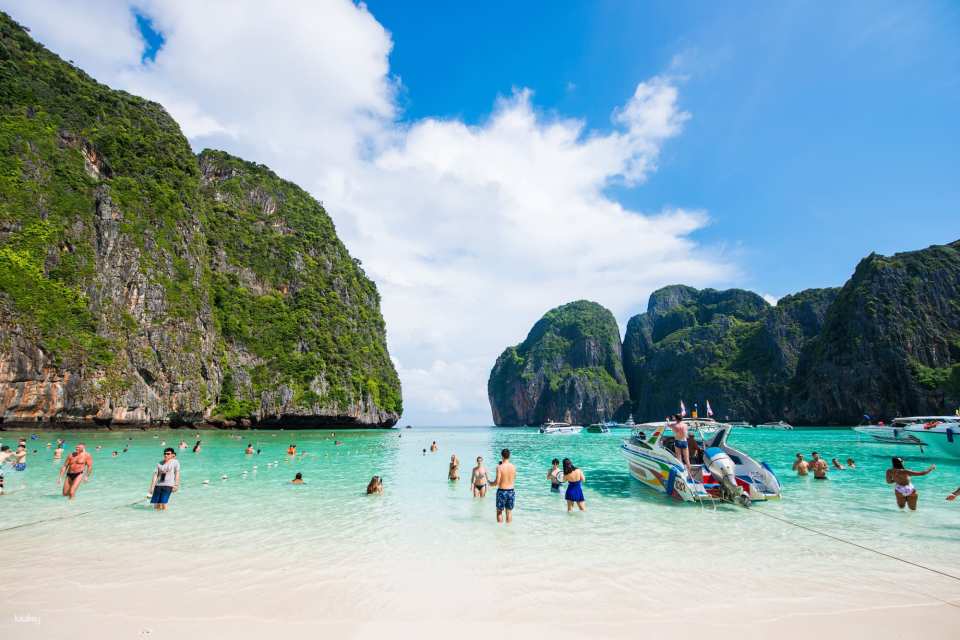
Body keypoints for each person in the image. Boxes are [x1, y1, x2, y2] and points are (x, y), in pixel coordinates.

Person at [490, 448, 516, 524]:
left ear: (502, 456)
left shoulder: (499, 467)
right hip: (511, 491)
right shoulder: (513, 467)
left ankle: (500, 529)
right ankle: (508, 529)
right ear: (509, 456)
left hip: (502, 491)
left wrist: (490, 483)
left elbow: (497, 482)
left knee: (499, 512)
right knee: (509, 512)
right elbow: (514, 478)